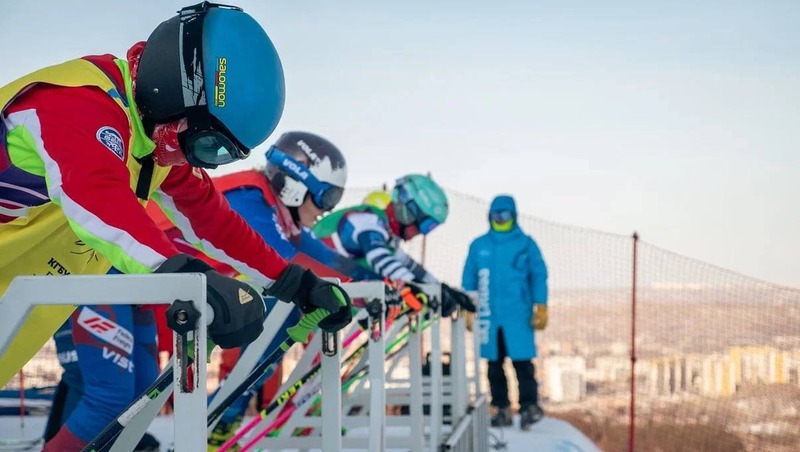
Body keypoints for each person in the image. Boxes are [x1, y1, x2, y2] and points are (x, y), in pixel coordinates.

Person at [0, 3, 352, 450]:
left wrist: (293, 283)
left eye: (218, 156)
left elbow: (212, 218)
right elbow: (97, 200)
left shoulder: (149, 142)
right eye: (206, 145)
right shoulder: (74, 103)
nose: (197, 162)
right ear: (174, 91)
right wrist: (186, 277)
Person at [146, 130, 380, 449]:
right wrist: (360, 294)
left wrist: (377, 283)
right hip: (128, 286)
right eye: (326, 197)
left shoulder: (276, 211)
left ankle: (222, 420)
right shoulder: (249, 199)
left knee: (115, 395)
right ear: (295, 186)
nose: (326, 210)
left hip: (158, 298)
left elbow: (326, 257)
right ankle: (221, 420)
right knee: (110, 397)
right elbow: (286, 260)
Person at [313, 174, 476, 315]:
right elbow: (381, 260)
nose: (423, 232)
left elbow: (413, 268)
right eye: (426, 225)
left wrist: (443, 289)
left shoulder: (386, 234)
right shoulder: (367, 220)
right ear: (408, 212)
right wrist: (419, 287)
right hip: (306, 288)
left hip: (326, 291)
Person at [461, 195, 548, 431]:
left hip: (518, 314)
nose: (500, 219)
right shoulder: (479, 246)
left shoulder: (526, 244)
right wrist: (469, 307)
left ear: (513, 215)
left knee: (523, 364)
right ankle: (501, 409)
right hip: (490, 316)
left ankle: (529, 406)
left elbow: (538, 274)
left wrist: (541, 304)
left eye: (505, 214)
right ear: (489, 216)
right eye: (496, 215)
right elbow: (469, 277)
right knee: (494, 364)